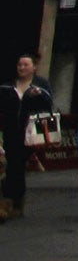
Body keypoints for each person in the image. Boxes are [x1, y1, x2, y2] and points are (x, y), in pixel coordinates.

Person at [1, 53, 55, 221]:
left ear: (34, 67)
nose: (22, 68)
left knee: (15, 167)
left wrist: (39, 96)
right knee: (12, 167)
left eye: (25, 65)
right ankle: (13, 204)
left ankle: (11, 204)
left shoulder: (40, 86)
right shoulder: (7, 86)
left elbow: (48, 105)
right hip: (10, 132)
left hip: (29, 133)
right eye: (19, 65)